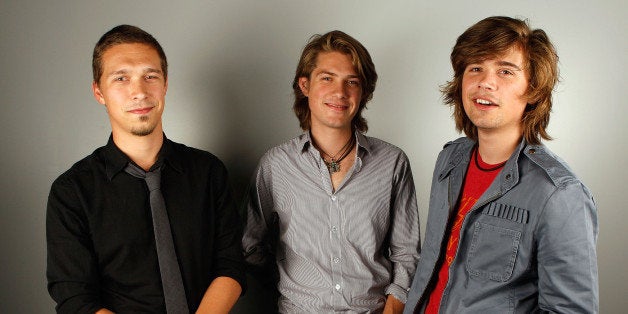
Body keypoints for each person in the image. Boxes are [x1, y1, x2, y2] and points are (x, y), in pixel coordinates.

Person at [404, 16, 599, 313]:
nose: (485, 82)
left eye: (505, 71)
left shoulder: (560, 194)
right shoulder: (449, 160)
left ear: (533, 90)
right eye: (475, 68)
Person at [46, 25, 245, 313]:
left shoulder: (208, 172)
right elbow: (74, 297)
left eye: (150, 76)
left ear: (165, 85)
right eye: (121, 78)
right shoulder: (72, 192)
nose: (138, 92)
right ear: (98, 92)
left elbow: (230, 263)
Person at [242, 30, 420, 313]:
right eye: (327, 78)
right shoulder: (276, 165)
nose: (340, 92)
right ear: (305, 85)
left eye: (352, 82)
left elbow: (407, 255)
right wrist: (291, 288)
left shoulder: (393, 162)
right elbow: (252, 247)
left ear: (363, 93)